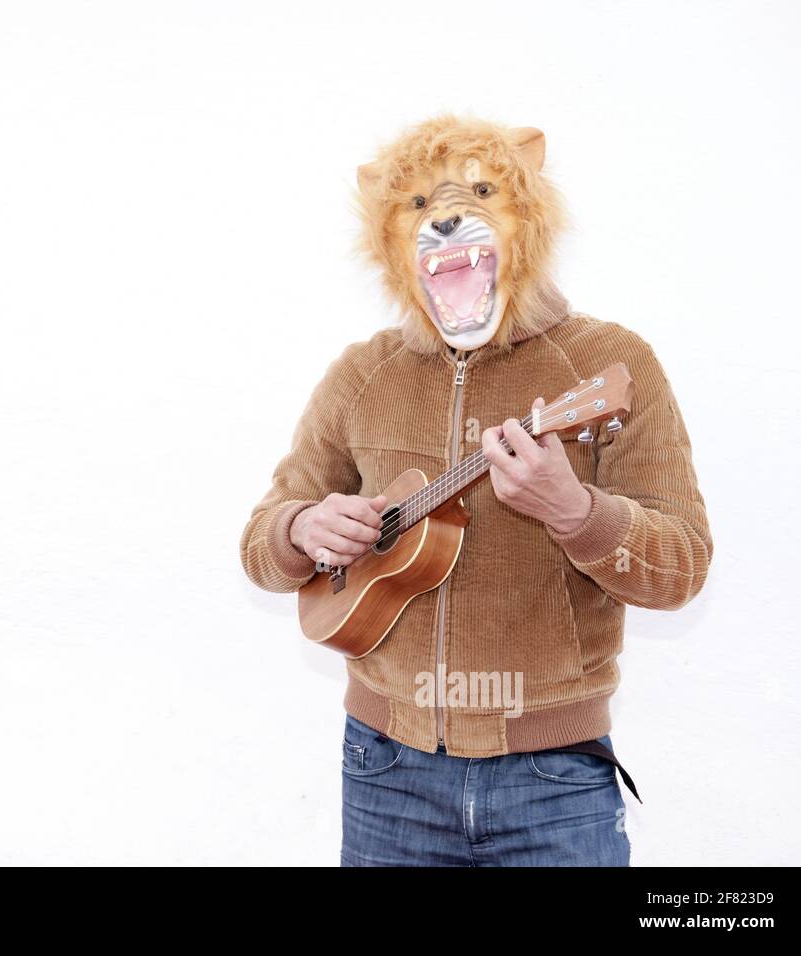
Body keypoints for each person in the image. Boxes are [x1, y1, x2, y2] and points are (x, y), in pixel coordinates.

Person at [238, 114, 712, 866]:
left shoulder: (612, 363)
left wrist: (576, 512)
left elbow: (682, 567)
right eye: (419, 203)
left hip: (553, 775)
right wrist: (301, 529)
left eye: (482, 191)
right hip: (384, 769)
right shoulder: (363, 374)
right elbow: (261, 546)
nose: (447, 214)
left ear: (527, 216)